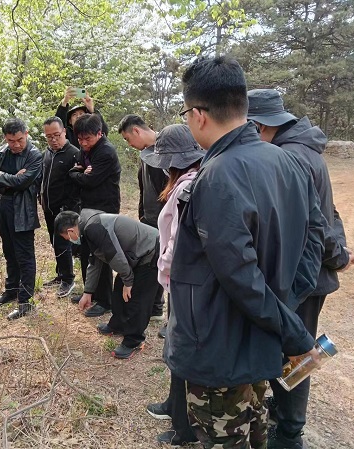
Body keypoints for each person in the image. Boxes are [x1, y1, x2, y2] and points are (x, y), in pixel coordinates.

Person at [165, 55, 331, 449]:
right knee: (254, 431)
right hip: (260, 341)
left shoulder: (217, 176)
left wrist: (289, 328)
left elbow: (240, 277)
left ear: (198, 114)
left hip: (221, 351)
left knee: (227, 437)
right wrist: (288, 305)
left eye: (187, 114)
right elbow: (316, 240)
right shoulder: (289, 163)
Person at [247, 88, 354, 449]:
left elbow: (316, 224)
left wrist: (337, 256)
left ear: (260, 125)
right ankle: (282, 416)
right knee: (291, 347)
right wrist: (339, 252)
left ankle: (290, 432)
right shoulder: (303, 151)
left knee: (298, 351)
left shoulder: (288, 157)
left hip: (302, 277)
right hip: (306, 272)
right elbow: (332, 214)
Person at [140, 124, 204, 446]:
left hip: (182, 282)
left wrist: (163, 272)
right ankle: (173, 404)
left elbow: (176, 243)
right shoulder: (188, 181)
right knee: (174, 350)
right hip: (180, 282)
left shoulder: (187, 188)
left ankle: (185, 425)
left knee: (180, 351)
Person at [55, 209, 163, 359]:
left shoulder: (92, 228)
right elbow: (95, 262)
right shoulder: (87, 225)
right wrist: (88, 292)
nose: (69, 240)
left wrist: (129, 281)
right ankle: (118, 324)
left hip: (151, 250)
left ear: (71, 230)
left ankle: (134, 340)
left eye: (67, 237)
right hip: (136, 255)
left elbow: (114, 255)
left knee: (138, 298)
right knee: (119, 291)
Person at [0, 118, 43, 320]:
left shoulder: (35, 155)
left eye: (19, 139)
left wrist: (2, 176)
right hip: (2, 207)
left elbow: (24, 182)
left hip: (23, 210)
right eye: (11, 140)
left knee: (24, 256)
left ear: (26, 134)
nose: (16, 144)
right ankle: (11, 290)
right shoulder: (1, 152)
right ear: (5, 138)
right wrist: (10, 180)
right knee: (9, 251)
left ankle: (25, 300)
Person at [68, 113, 121, 317]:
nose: (82, 143)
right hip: (88, 207)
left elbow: (89, 181)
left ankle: (105, 300)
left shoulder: (106, 152)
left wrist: (78, 174)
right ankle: (90, 292)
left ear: (99, 133)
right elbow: (78, 172)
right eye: (79, 139)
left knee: (102, 254)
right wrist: (78, 172)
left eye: (87, 138)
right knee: (87, 251)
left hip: (104, 208)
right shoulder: (86, 149)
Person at [118, 114, 168, 323]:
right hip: (148, 220)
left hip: (164, 221)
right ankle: (155, 307)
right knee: (152, 265)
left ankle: (160, 309)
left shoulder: (166, 149)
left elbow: (168, 191)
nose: (130, 144)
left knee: (165, 264)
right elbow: (143, 189)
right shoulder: (144, 155)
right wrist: (141, 213)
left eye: (128, 139)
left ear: (136, 131)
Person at [39, 116, 81, 298]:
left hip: (65, 210)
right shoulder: (47, 153)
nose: (53, 139)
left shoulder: (74, 153)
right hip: (49, 208)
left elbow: (78, 185)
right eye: (49, 136)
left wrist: (68, 208)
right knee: (54, 243)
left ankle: (68, 280)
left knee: (63, 244)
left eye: (57, 135)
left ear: (64, 131)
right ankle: (60, 273)